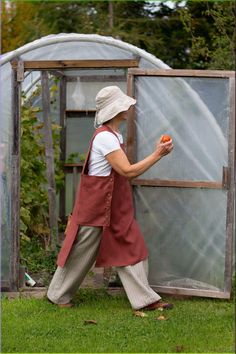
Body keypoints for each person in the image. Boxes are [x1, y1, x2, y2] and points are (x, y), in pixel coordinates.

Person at [47, 86, 174, 310]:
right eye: (123, 105)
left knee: (132, 246)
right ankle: (58, 296)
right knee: (81, 250)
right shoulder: (105, 138)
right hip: (96, 204)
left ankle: (145, 300)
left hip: (113, 206)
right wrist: (158, 154)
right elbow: (127, 171)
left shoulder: (115, 135)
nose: (127, 107)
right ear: (115, 110)